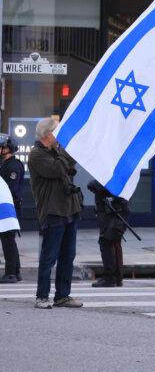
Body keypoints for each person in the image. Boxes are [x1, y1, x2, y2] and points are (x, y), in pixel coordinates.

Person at [29, 117, 83, 309]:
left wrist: (67, 150)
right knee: (49, 256)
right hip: (53, 211)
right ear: (48, 134)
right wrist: (64, 154)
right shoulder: (36, 154)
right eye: (57, 131)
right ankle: (42, 296)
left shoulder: (56, 151)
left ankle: (62, 296)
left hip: (69, 209)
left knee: (68, 255)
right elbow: (57, 169)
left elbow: (71, 163)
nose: (59, 135)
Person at [88, 179, 129, 288]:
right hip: (113, 214)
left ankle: (110, 278)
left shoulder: (110, 175)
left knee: (107, 243)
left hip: (111, 215)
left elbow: (94, 185)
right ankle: (117, 278)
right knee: (114, 243)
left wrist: (95, 182)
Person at [0, 134, 24, 284]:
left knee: (8, 240)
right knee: (9, 240)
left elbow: (11, 188)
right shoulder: (5, 164)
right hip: (7, 207)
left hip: (10, 207)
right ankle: (16, 272)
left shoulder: (14, 165)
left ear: (7, 149)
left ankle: (11, 273)